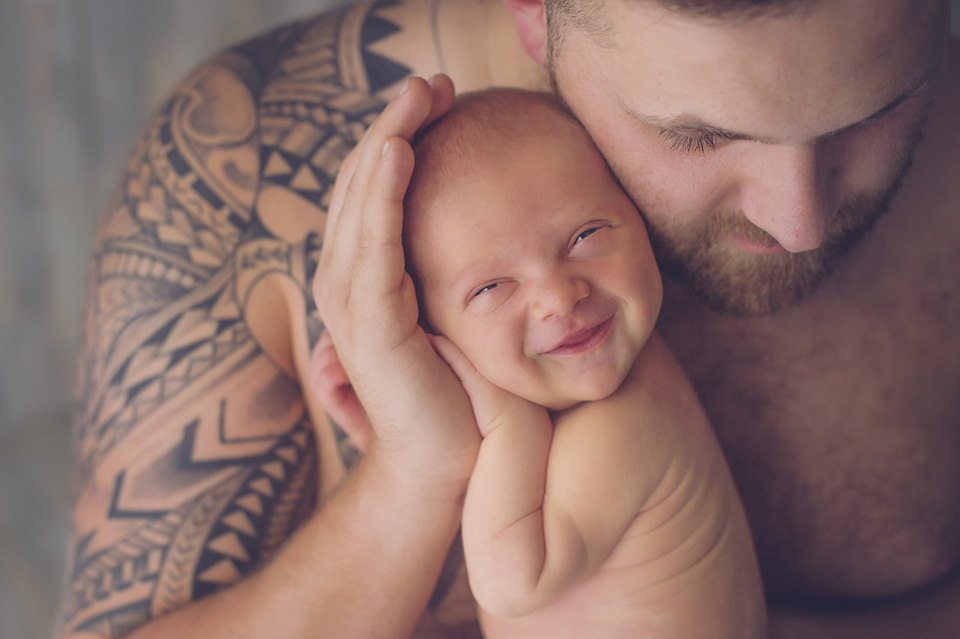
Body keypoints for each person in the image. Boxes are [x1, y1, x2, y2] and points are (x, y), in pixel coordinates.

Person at [58, 1, 959, 638]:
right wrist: (414, 475)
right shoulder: (243, 167)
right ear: (535, 8)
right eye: (698, 136)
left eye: (878, 112)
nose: (794, 222)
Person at [394, 88, 764, 637]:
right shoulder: (582, 399)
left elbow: (511, 583)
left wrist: (505, 423)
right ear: (432, 330)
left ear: (641, 219)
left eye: (585, 235)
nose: (559, 298)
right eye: (492, 287)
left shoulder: (622, 423)